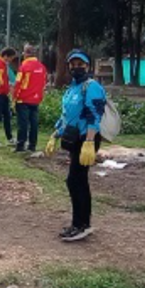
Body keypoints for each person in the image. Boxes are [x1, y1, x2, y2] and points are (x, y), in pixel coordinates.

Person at [45, 49, 106, 242]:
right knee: (77, 180)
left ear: (88, 66)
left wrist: (89, 141)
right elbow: (66, 116)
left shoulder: (92, 87)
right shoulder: (72, 88)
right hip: (74, 139)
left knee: (75, 180)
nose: (76, 67)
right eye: (73, 64)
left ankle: (81, 225)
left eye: (81, 64)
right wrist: (55, 134)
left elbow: (94, 116)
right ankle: (79, 223)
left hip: (86, 139)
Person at [12, 44, 47, 152]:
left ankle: (20, 145)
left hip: (23, 99)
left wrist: (14, 98)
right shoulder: (42, 67)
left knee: (23, 123)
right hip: (36, 100)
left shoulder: (23, 67)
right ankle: (32, 146)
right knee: (34, 123)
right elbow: (44, 83)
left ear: (26, 54)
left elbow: (18, 84)